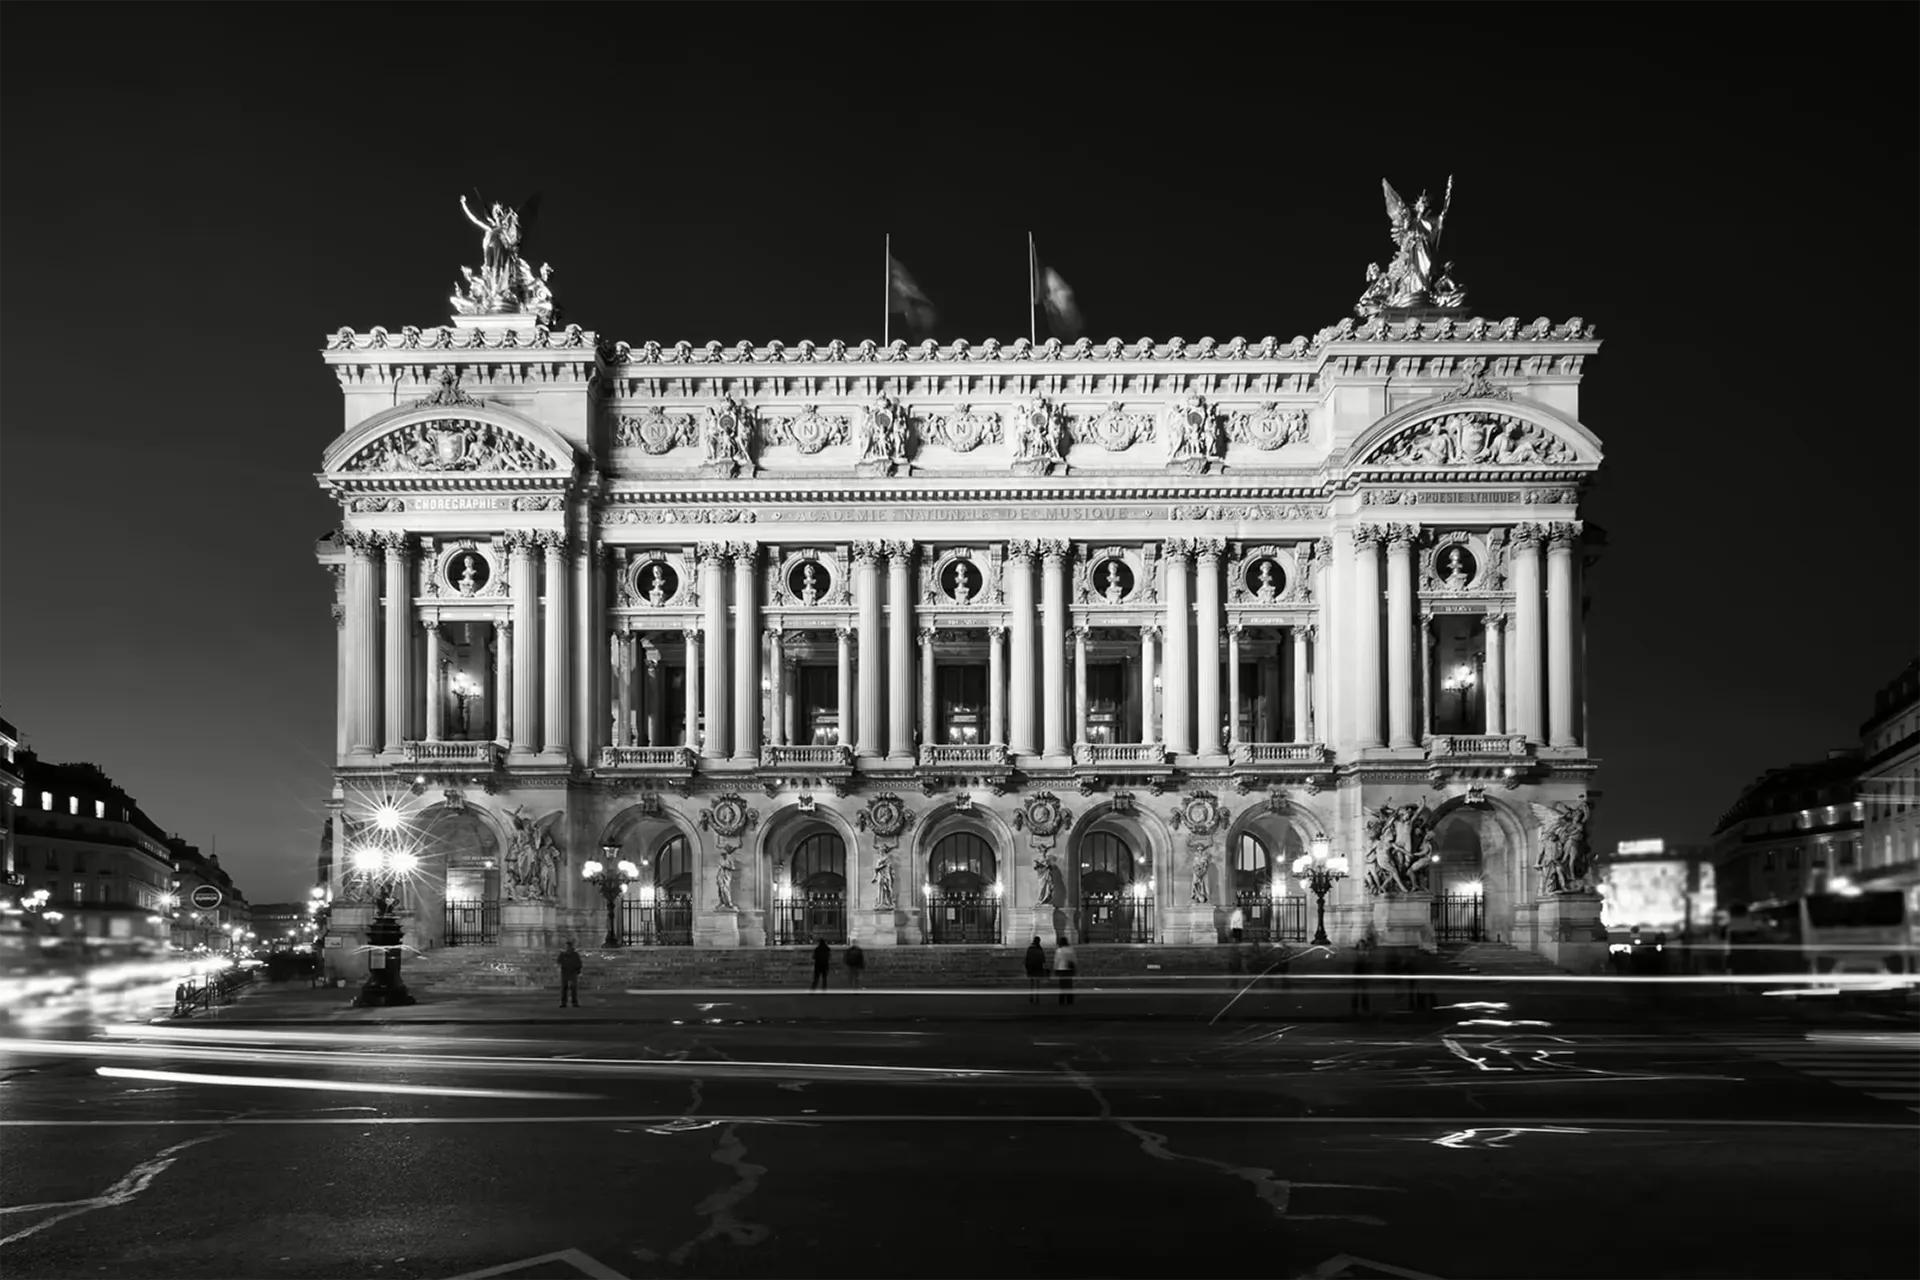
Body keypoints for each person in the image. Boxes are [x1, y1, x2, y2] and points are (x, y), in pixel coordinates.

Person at [557, 939, 582, 1009]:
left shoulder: (574, 954)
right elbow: (559, 961)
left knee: (572, 988)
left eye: (569, 946)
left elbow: (579, 963)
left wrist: (577, 969)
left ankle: (572, 1002)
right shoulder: (566, 954)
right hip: (566, 972)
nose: (568, 948)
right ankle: (565, 1002)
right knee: (565, 988)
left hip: (571, 972)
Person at [1054, 938, 1078, 1006]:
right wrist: (1075, 968)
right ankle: (1069, 1000)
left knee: (1062, 986)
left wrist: (1055, 969)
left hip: (1061, 969)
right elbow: (1074, 960)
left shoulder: (1059, 950)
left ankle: (1062, 1000)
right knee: (1069, 985)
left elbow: (1056, 961)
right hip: (1069, 969)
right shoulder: (1071, 950)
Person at [1024, 935, 1046, 1004]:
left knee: (1031, 983)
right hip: (1038, 967)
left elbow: (1027, 958)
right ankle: (1037, 996)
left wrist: (1027, 967)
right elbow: (1043, 959)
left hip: (1031, 968)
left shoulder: (1030, 949)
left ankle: (1031, 996)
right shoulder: (1040, 949)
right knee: (1037, 983)